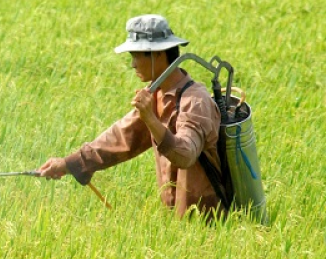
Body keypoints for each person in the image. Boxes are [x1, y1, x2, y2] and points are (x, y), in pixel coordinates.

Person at [37, 14, 224, 218]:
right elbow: (121, 138)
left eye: (136, 55)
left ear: (158, 54)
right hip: (178, 224)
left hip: (210, 222)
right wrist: (70, 164)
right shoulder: (156, 95)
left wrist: (150, 118)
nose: (133, 64)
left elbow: (185, 154)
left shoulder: (194, 100)